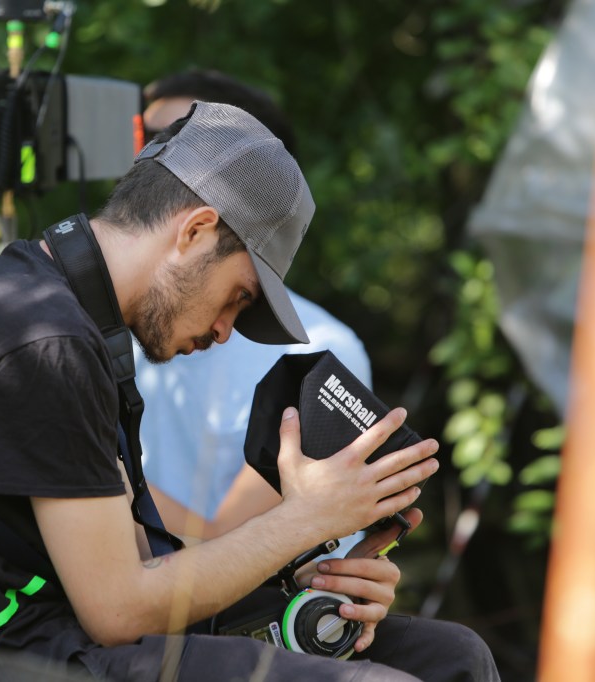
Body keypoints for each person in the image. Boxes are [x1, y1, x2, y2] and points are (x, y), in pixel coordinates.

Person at [0, 101, 498, 680]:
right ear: (195, 231)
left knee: (450, 658)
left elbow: (142, 562)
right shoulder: (41, 339)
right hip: (9, 660)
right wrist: (305, 517)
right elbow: (118, 610)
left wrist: (296, 583)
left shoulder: (59, 307)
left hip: (65, 636)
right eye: (238, 297)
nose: (225, 331)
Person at [136, 70, 373, 548]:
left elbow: (227, 549)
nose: (140, 161)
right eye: (143, 138)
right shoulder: (106, 325)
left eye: (168, 141)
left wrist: (68, 470)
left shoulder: (320, 352)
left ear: (257, 175)